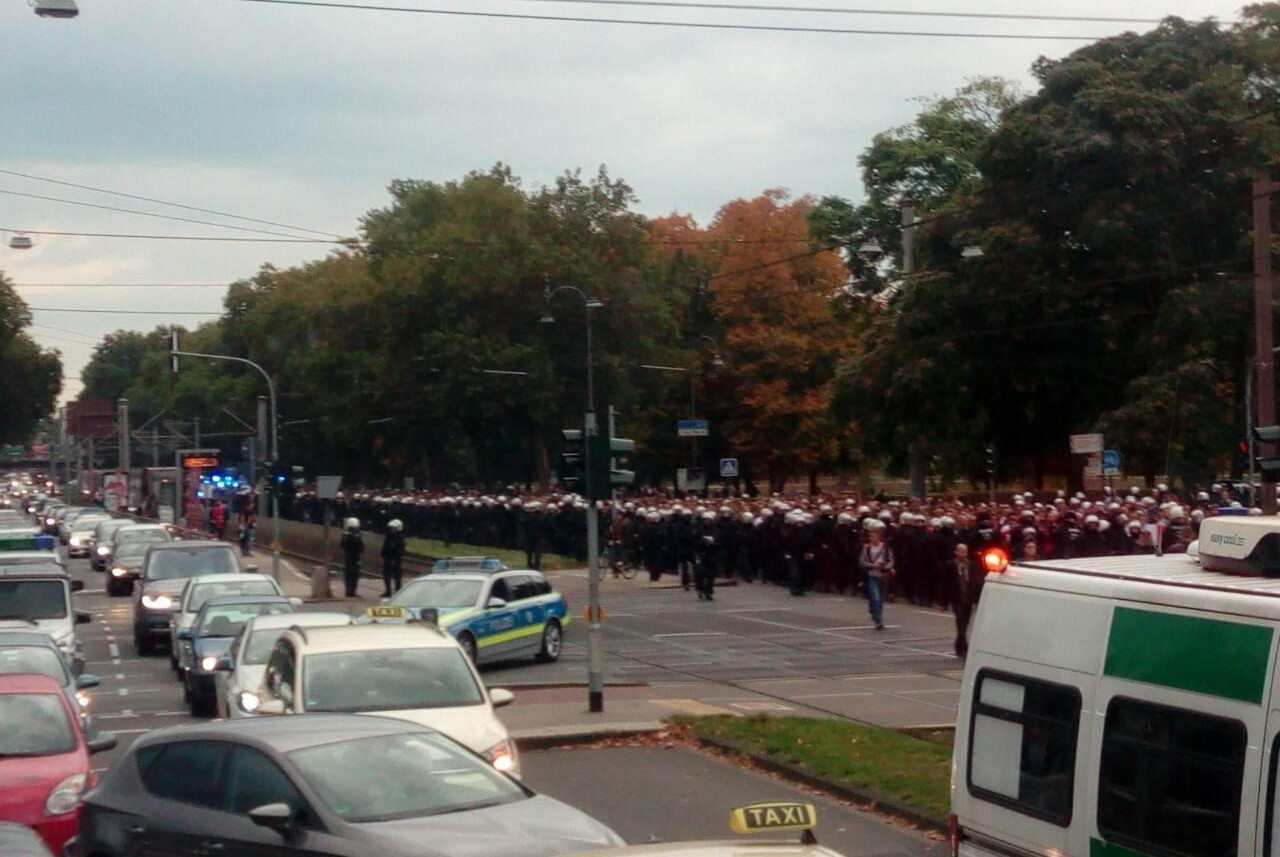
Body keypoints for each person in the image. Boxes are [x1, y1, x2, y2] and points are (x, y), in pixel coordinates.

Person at [949, 542, 984, 658]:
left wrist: (978, 597)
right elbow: (945, 584)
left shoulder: (972, 565)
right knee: (961, 623)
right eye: (961, 551)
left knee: (966, 622)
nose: (964, 554)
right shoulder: (951, 566)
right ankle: (963, 646)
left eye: (965, 551)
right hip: (957, 599)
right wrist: (943, 602)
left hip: (969, 599)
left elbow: (977, 581)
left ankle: (959, 645)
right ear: (956, 552)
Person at [859, 521, 894, 630]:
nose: (872, 538)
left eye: (874, 536)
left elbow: (891, 560)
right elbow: (862, 561)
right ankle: (877, 620)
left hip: (883, 576)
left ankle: (877, 617)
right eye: (871, 536)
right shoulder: (867, 548)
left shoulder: (885, 547)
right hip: (872, 575)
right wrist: (872, 565)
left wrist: (885, 566)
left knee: (881, 599)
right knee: (875, 597)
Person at [339, 517, 364, 598]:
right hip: (352, 556)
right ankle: (350, 591)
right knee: (352, 575)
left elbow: (342, 545)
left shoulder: (347, 534)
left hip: (351, 556)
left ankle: (351, 591)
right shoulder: (350, 534)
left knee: (352, 575)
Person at [380, 519, 406, 597]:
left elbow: (400, 550)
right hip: (387, 558)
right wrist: (382, 556)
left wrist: (395, 559)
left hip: (395, 560)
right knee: (386, 575)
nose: (391, 529)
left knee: (397, 576)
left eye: (393, 528)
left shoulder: (400, 538)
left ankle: (398, 591)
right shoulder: (388, 536)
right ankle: (387, 591)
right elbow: (384, 546)